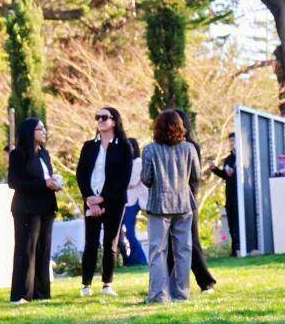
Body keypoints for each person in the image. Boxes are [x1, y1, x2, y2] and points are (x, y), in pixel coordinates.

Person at [141, 110, 200, 303]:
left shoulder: (150, 150)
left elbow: (146, 178)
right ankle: (181, 293)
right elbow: (196, 176)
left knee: (158, 251)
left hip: (159, 205)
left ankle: (159, 295)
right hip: (183, 204)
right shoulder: (189, 148)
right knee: (183, 251)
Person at [75, 107, 131, 297]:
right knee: (90, 242)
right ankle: (86, 285)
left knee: (110, 242)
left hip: (114, 202)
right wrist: (90, 199)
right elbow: (81, 174)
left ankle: (107, 284)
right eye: (97, 117)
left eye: (104, 117)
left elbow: (123, 179)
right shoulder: (88, 146)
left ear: (114, 121)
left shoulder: (124, 147)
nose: (100, 120)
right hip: (91, 201)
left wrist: (104, 198)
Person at [8, 117, 62, 304]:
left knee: (43, 249)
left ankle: (42, 293)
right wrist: (43, 183)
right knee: (26, 249)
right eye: (40, 128)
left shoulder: (44, 154)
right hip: (27, 207)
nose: (44, 131)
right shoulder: (18, 155)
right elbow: (14, 182)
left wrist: (54, 184)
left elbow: (47, 177)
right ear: (29, 132)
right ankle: (22, 294)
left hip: (46, 205)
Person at [165, 109, 217, 292]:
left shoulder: (191, 146)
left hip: (187, 201)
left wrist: (190, 197)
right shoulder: (163, 146)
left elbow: (195, 177)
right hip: (167, 201)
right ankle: (168, 284)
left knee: (192, 242)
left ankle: (206, 282)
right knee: (168, 245)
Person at [209, 131, 239, 255]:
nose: (232, 144)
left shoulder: (243, 158)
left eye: (234, 141)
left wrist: (235, 173)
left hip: (240, 196)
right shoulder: (228, 159)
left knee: (238, 222)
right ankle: (234, 249)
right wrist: (215, 169)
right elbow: (226, 176)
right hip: (230, 195)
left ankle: (240, 248)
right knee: (231, 222)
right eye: (230, 141)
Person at [121, 137, 148, 265]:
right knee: (123, 231)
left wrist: (118, 182)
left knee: (130, 231)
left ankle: (140, 258)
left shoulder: (138, 162)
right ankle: (130, 259)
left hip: (133, 201)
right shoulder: (124, 163)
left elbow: (132, 182)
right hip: (125, 201)